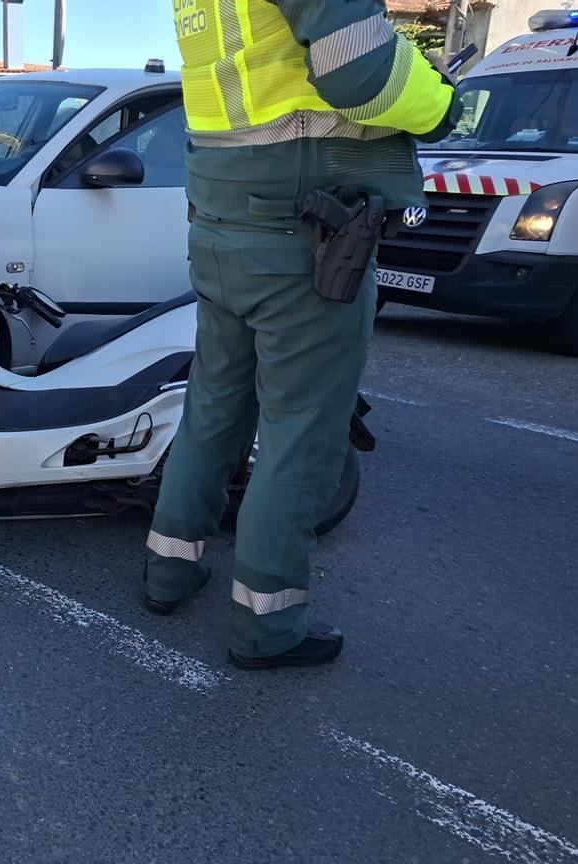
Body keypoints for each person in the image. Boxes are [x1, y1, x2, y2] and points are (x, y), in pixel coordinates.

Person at [144, 0, 462, 669]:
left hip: (223, 225)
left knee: (213, 411)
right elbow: (362, 76)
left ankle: (169, 573)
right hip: (306, 237)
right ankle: (268, 629)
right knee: (300, 435)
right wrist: (441, 101)